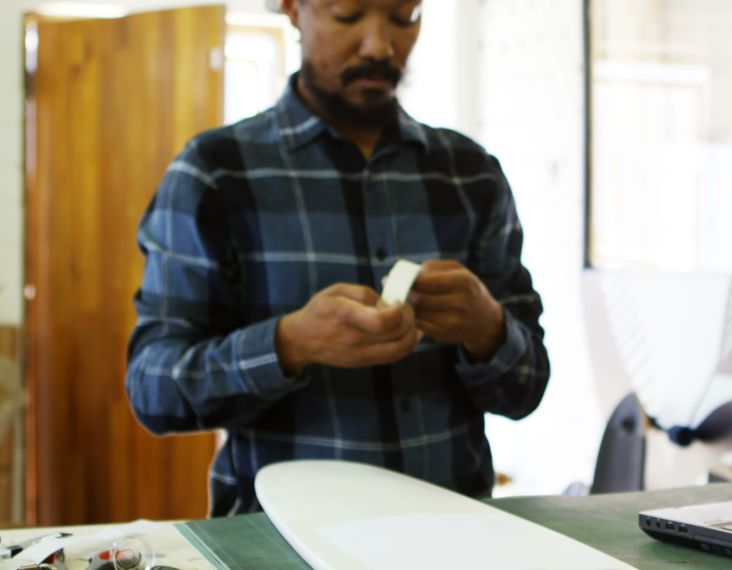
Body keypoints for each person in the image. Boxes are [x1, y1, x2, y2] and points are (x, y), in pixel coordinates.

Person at [125, 0, 550, 516]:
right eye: (348, 14)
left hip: (451, 538)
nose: (380, 45)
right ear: (291, 8)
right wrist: (288, 344)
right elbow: (153, 389)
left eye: (405, 16)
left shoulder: (470, 176)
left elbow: (526, 390)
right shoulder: (215, 173)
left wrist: (487, 328)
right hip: (280, 546)